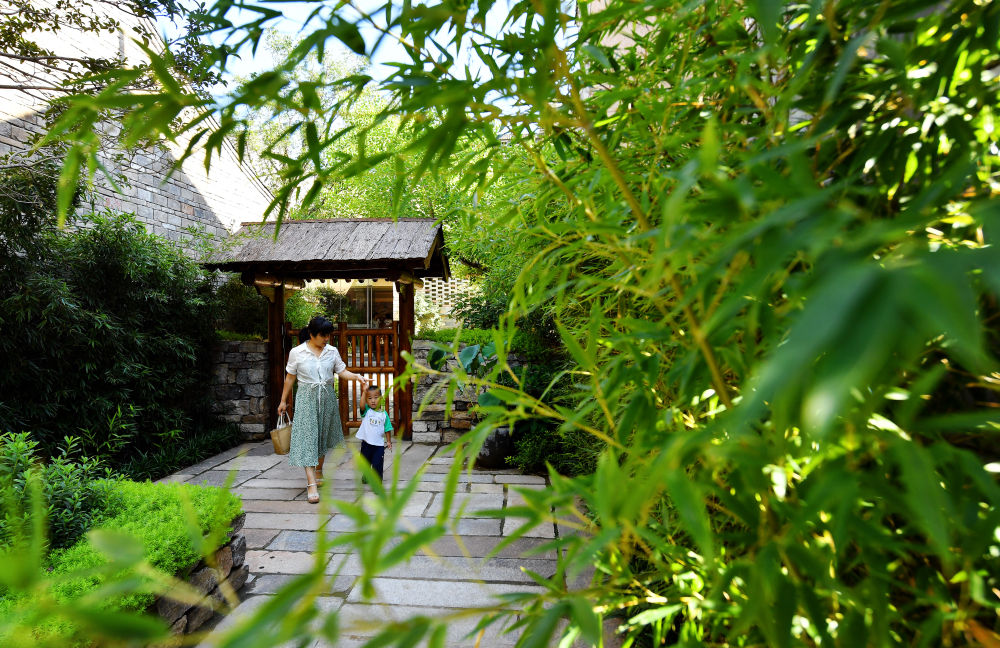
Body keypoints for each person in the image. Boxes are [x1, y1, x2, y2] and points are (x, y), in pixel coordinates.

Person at [278, 316, 368, 504]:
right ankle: (311, 484)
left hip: (327, 399)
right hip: (306, 399)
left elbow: (342, 372)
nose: (326, 339)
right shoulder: (297, 352)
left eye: (328, 335)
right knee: (308, 439)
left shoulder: (332, 351)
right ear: (311, 334)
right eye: (323, 335)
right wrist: (283, 401)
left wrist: (357, 377)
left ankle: (319, 470)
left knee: (322, 436)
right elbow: (290, 378)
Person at [356, 385, 393, 482]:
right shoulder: (366, 411)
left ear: (381, 398)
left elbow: (387, 428)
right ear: (366, 400)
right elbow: (361, 406)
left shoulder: (384, 414)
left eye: (376, 398)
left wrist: (389, 441)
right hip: (366, 444)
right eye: (369, 398)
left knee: (378, 463)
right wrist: (364, 392)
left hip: (378, 445)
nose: (373, 401)